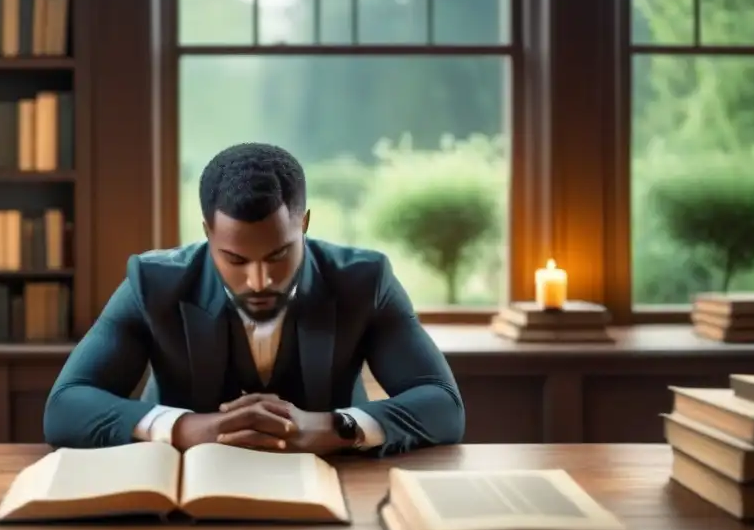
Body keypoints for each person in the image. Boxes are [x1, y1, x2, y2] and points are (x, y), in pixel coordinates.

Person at [43, 143, 465, 457]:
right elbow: (65, 407)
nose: (260, 280)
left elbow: (443, 404)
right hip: (181, 491)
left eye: (279, 254)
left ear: (304, 223)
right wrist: (186, 428)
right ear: (208, 232)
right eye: (235, 258)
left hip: (333, 482)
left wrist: (337, 426)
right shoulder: (152, 282)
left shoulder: (364, 279)